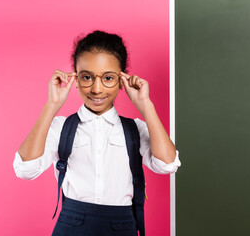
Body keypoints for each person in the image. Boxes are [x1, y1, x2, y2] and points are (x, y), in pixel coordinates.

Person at [13, 30, 181, 236]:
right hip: (71, 226)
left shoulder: (135, 128)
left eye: (108, 78)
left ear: (122, 80)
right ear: (74, 77)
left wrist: (145, 105)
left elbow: (167, 165)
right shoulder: (60, 127)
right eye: (87, 77)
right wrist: (52, 104)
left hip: (122, 226)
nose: (97, 89)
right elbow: (25, 169)